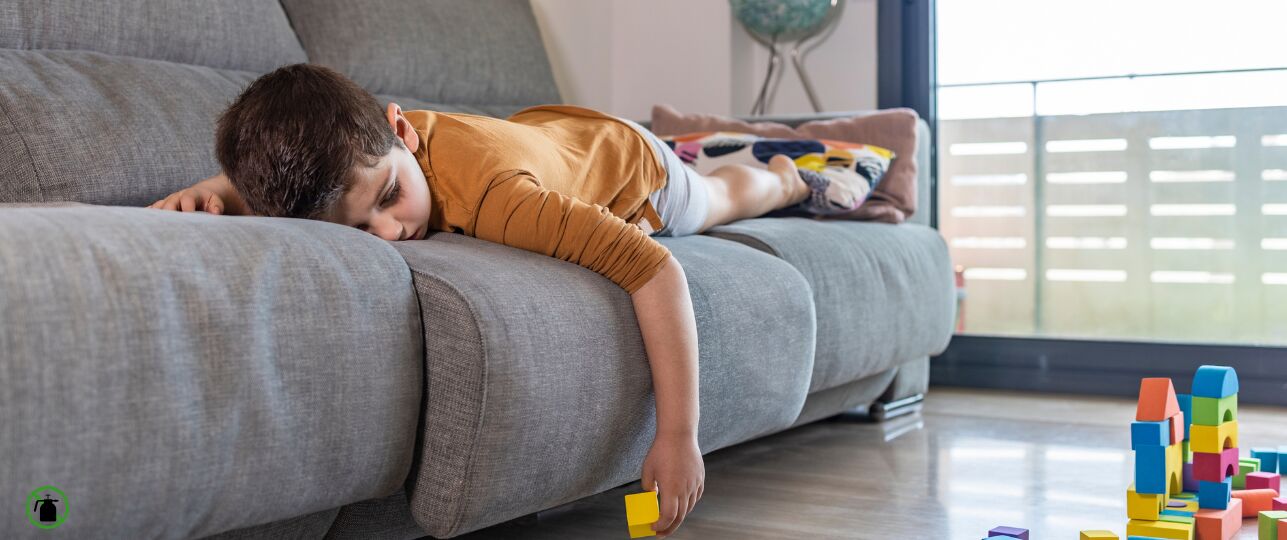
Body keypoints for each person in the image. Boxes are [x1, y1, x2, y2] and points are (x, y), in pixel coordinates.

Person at [148, 63, 874, 538]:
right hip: (545, 131)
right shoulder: (365, 152)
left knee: (717, 197)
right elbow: (303, 182)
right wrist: (217, 192)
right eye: (357, 232)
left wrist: (678, 436)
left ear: (401, 129)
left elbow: (656, 273)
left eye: (390, 200)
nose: (389, 234)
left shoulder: (500, 200)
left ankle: (778, 169)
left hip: (630, 167)